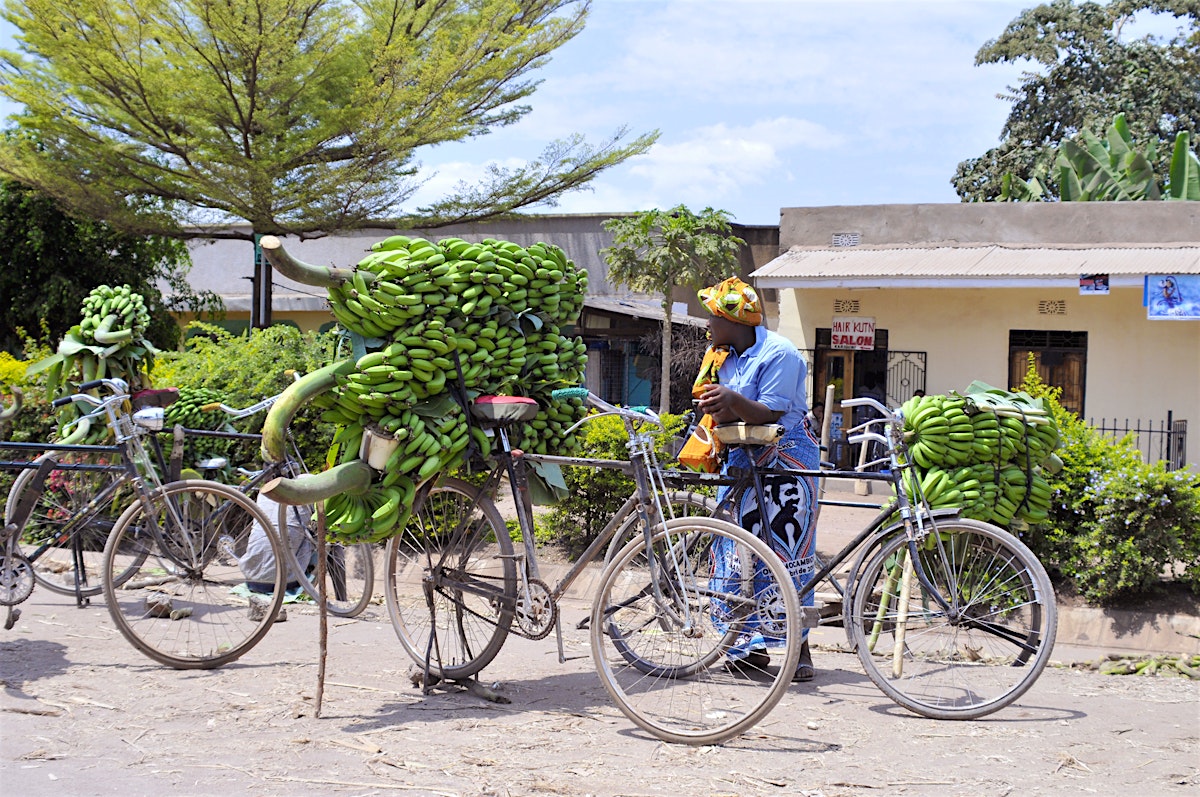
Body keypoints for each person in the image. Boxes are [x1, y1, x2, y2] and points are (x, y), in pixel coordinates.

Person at [694, 276, 820, 682]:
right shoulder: (720, 357)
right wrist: (719, 404)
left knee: (787, 551)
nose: (708, 326)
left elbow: (769, 412)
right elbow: (721, 410)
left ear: (734, 319)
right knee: (735, 553)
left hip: (786, 463)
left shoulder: (780, 354)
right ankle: (745, 647)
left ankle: (798, 649)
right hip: (741, 459)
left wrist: (730, 400)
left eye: (713, 316)